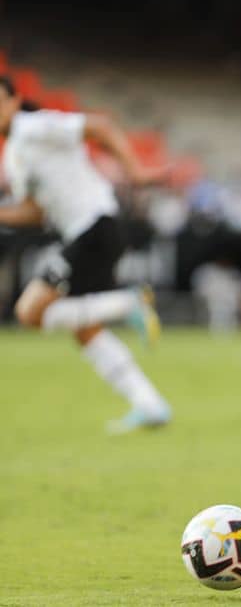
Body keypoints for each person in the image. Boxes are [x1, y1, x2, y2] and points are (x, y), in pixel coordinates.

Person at [0, 75, 172, 434]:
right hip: (87, 230)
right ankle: (149, 404)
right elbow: (35, 212)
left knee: (29, 312)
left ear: (15, 100)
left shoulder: (33, 126)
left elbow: (100, 125)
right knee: (83, 327)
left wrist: (135, 171)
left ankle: (129, 304)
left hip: (94, 225)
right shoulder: (15, 152)